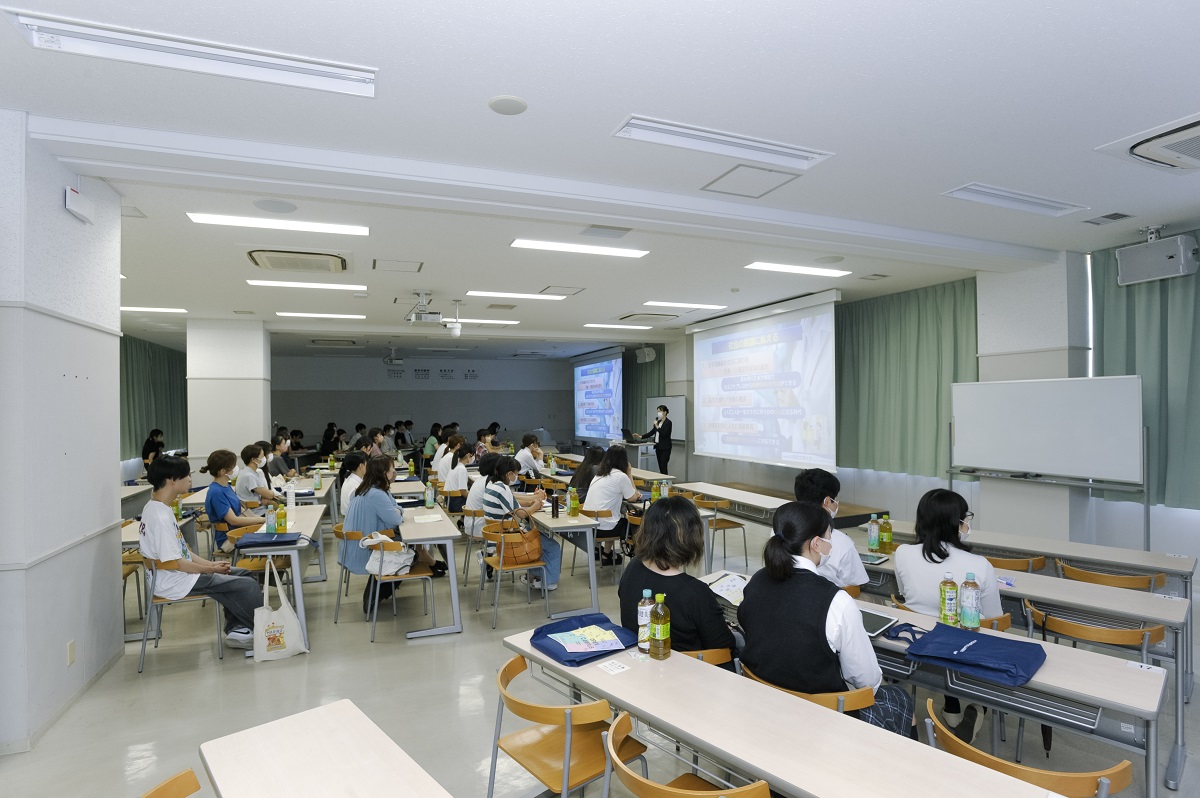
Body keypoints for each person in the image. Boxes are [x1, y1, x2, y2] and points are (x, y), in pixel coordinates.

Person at [738, 501, 914, 736]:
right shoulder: (836, 601)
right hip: (821, 718)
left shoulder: (757, 581)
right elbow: (867, 681)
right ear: (816, 543)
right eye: (829, 537)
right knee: (899, 697)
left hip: (766, 701)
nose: (831, 545)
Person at [893, 488, 1002, 742]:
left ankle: (952, 709)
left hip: (914, 645)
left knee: (938, 628)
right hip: (960, 653)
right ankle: (978, 707)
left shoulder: (902, 554)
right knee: (970, 631)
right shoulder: (979, 565)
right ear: (957, 523)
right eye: (966, 517)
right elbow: (994, 620)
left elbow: (904, 593)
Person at [138, 455, 262, 650]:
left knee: (242, 573)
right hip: (175, 581)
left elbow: (182, 552)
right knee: (247, 586)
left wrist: (210, 565)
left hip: (179, 574)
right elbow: (176, 563)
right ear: (171, 479)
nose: (190, 479)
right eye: (186, 475)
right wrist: (208, 570)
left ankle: (238, 629)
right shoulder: (159, 517)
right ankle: (262, 631)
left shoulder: (158, 507)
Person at [618, 496, 736, 659]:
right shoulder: (695, 593)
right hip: (689, 672)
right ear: (691, 538)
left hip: (641, 659)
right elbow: (724, 648)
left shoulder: (633, 568)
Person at [341, 456, 446, 611]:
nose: (395, 472)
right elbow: (396, 518)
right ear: (384, 473)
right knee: (410, 545)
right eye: (393, 469)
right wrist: (397, 511)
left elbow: (395, 508)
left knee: (411, 540)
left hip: (363, 542)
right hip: (368, 548)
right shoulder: (376, 493)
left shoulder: (370, 488)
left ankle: (427, 560)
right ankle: (424, 561)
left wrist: (397, 511)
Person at [483, 455, 560, 591]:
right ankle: (548, 582)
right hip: (509, 541)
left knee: (539, 537)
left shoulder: (492, 485)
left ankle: (534, 576)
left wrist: (532, 502)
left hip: (499, 536)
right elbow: (522, 514)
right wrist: (536, 505)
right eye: (516, 473)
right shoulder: (503, 489)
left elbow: (514, 504)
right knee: (552, 546)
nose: (517, 476)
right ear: (509, 474)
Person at [792, 468, 867, 588]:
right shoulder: (842, 542)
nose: (836, 503)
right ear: (827, 501)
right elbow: (856, 586)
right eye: (835, 499)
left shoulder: (780, 531)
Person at [583, 445, 642, 564]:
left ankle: (606, 553)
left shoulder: (599, 474)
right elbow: (633, 498)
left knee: (614, 515)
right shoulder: (621, 476)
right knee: (632, 523)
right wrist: (629, 473)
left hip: (590, 526)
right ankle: (636, 558)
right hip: (605, 528)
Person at [200, 449, 267, 553]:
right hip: (230, 538)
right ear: (223, 471)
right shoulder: (216, 492)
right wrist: (262, 520)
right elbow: (233, 520)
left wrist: (264, 519)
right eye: (233, 466)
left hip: (240, 531)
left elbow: (241, 510)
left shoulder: (226, 486)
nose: (237, 468)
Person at [234, 443, 275, 516]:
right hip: (255, 512)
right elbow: (269, 495)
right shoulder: (249, 476)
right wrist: (269, 493)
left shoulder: (247, 472)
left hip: (256, 509)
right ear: (253, 459)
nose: (264, 458)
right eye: (262, 455)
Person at [633, 404, 673, 474]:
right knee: (660, 466)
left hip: (665, 447)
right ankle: (662, 481)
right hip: (658, 446)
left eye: (660, 411)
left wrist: (657, 426)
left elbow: (664, 434)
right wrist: (641, 436)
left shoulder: (668, 423)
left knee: (663, 465)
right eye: (658, 412)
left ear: (665, 412)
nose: (658, 413)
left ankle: (665, 483)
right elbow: (651, 432)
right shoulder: (659, 422)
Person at [442, 443, 474, 512]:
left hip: (450, 501)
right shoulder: (461, 469)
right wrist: (473, 497)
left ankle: (462, 520)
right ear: (468, 455)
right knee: (478, 503)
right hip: (456, 504)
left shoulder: (455, 466)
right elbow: (463, 492)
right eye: (472, 456)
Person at [338, 451, 368, 515]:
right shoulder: (356, 487)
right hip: (355, 521)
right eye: (367, 463)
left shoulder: (349, 478)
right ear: (361, 466)